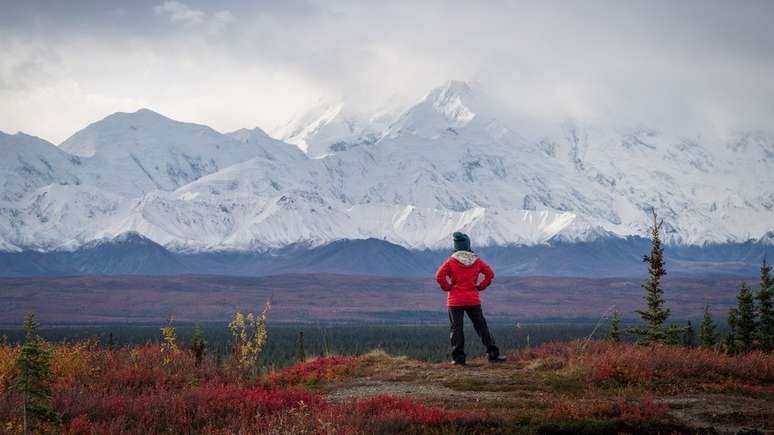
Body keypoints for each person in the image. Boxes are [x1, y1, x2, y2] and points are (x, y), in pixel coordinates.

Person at [435, 232, 506, 365]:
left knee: (456, 329)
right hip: (473, 299)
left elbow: (439, 276)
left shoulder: (451, 261)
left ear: (456, 246)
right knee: (481, 326)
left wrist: (448, 287)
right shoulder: (477, 261)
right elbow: (490, 274)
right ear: (468, 245)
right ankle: (493, 354)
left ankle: (459, 358)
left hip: (455, 300)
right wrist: (480, 287)